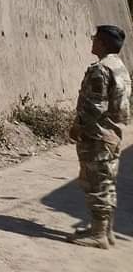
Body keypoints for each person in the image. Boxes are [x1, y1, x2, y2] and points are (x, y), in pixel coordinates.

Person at [68, 24, 131, 249]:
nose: (92, 41)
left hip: (98, 136)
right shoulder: (119, 66)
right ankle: (106, 230)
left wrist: (78, 127)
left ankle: (98, 235)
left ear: (103, 42)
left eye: (95, 38)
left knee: (96, 183)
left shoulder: (101, 69)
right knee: (107, 182)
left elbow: (95, 106)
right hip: (112, 134)